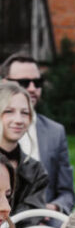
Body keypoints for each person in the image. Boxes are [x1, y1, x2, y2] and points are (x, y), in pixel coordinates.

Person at [1, 51, 75, 214]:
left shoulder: (55, 133)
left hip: (39, 219)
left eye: (37, 82)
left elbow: (66, 192)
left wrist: (51, 209)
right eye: (24, 82)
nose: (32, 88)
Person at [0, 82, 47, 214]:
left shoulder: (36, 171)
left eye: (25, 113)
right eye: (9, 111)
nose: (19, 120)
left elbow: (29, 218)